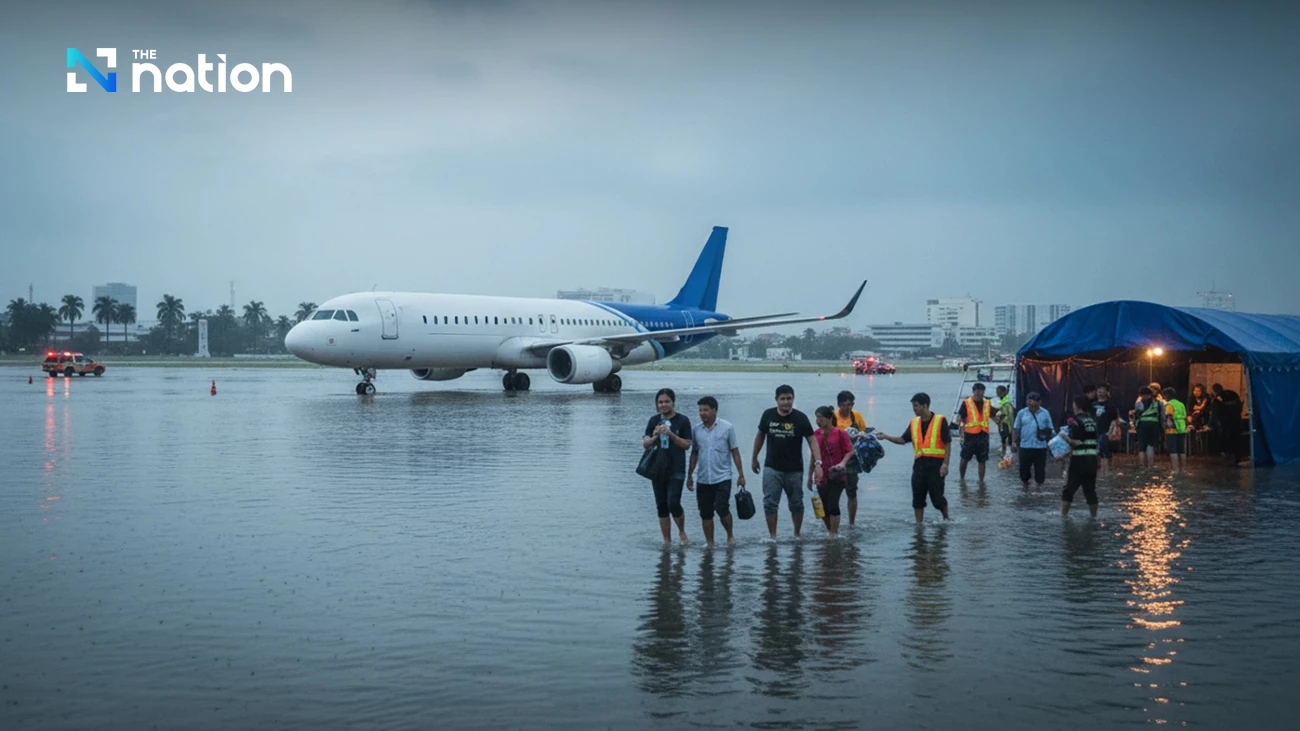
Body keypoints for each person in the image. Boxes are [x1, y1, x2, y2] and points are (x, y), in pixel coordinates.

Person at [752, 385, 822, 540]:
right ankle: (773, 537)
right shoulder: (768, 415)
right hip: (772, 468)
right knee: (770, 503)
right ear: (776, 400)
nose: (786, 402)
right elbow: (760, 436)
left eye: (789, 398)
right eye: (782, 399)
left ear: (793, 399)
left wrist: (818, 464)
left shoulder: (800, 418)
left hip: (794, 469)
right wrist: (754, 457)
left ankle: (797, 534)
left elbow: (812, 441)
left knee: (796, 503)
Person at [876, 392, 952, 523]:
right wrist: (886, 436)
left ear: (925, 405)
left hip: (936, 465)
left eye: (916, 406)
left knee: (937, 498)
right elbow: (902, 439)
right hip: (919, 466)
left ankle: (946, 516)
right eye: (913, 406)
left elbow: (947, 442)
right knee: (917, 499)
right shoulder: (914, 422)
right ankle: (919, 525)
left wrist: (945, 464)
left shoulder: (940, 420)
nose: (914, 409)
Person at [687, 396, 745, 548]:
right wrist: (689, 475)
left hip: (722, 476)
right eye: (700, 410)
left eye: (706, 410)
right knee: (705, 512)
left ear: (714, 410)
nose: (702, 413)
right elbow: (694, 453)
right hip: (703, 478)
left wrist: (741, 474)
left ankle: (730, 535)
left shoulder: (727, 427)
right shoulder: (696, 430)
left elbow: (735, 451)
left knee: (721, 507)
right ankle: (710, 543)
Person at [643, 388, 694, 545]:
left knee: (673, 502)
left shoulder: (682, 421)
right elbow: (645, 444)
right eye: (660, 402)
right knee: (661, 505)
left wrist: (671, 434)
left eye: (666, 401)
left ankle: (681, 531)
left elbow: (687, 445)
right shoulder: (653, 421)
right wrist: (654, 436)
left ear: (673, 403)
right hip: (657, 468)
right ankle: (666, 540)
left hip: (676, 468)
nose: (663, 405)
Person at [812, 406, 855, 538]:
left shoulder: (840, 433)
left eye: (821, 418)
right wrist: (810, 475)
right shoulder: (815, 434)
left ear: (830, 418)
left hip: (837, 474)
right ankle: (831, 530)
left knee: (833, 503)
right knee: (822, 508)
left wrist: (842, 463)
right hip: (821, 474)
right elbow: (813, 455)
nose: (818, 421)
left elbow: (850, 451)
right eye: (817, 418)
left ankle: (833, 534)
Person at [1060, 395, 1100, 517]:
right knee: (1090, 490)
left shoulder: (1075, 420)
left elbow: (1076, 442)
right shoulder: (1092, 420)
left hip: (1079, 460)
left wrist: (1064, 437)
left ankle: (1063, 518)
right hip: (1092, 460)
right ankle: (1093, 518)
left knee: (1069, 490)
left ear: (1077, 406)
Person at [832, 390, 867, 526]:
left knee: (851, 492)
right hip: (835, 458)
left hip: (852, 460)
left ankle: (851, 523)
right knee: (833, 492)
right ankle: (833, 522)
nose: (848, 408)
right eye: (845, 405)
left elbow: (863, 432)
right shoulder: (833, 417)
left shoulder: (856, 416)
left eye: (851, 404)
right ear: (839, 404)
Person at [1012, 391, 1053, 489]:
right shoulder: (1021, 413)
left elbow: (1051, 429)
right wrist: (1013, 442)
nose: (1032, 406)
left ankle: (1038, 490)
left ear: (1039, 403)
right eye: (1030, 403)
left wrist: (1052, 444)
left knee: (1040, 471)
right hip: (1025, 446)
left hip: (1040, 447)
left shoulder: (1045, 413)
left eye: (1034, 404)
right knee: (1024, 471)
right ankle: (1025, 488)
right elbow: (1016, 429)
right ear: (1027, 402)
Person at [955, 382, 993, 483]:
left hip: (983, 435)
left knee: (982, 460)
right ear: (973, 391)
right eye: (977, 391)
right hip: (970, 436)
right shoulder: (966, 403)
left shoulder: (987, 403)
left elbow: (994, 414)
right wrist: (960, 433)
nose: (979, 394)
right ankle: (962, 478)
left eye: (981, 392)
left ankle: (981, 482)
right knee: (964, 458)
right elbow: (959, 418)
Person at [1091, 383, 1123, 475]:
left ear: (1107, 393)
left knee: (1105, 453)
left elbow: (1115, 421)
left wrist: (1110, 433)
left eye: (1103, 391)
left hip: (1105, 432)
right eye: (1099, 391)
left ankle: (1106, 472)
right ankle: (1098, 472)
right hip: (1093, 432)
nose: (1100, 393)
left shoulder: (1111, 407)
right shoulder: (1092, 405)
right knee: (1094, 453)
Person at [1134, 386, 1163, 469]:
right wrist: (1162, 426)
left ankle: (1142, 465)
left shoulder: (1139, 402)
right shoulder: (1157, 402)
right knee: (1151, 445)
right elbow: (1161, 415)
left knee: (1142, 446)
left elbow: (1137, 414)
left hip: (1142, 424)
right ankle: (1150, 465)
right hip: (1154, 424)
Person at [1162, 387, 1188, 474]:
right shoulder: (1181, 404)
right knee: (1182, 450)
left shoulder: (1169, 405)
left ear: (1166, 396)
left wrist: (1165, 427)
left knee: (1173, 450)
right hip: (1182, 428)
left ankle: (1175, 469)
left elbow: (1168, 417)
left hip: (1172, 429)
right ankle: (1183, 469)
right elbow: (1185, 415)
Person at [993, 385, 1015, 457]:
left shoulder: (1007, 403)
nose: (998, 394)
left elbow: (1011, 415)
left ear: (1004, 392)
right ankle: (1004, 450)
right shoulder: (1003, 401)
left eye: (999, 392)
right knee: (1003, 437)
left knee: (1005, 437)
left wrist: (1012, 427)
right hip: (1003, 422)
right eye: (997, 393)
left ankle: (1005, 452)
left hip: (1007, 423)